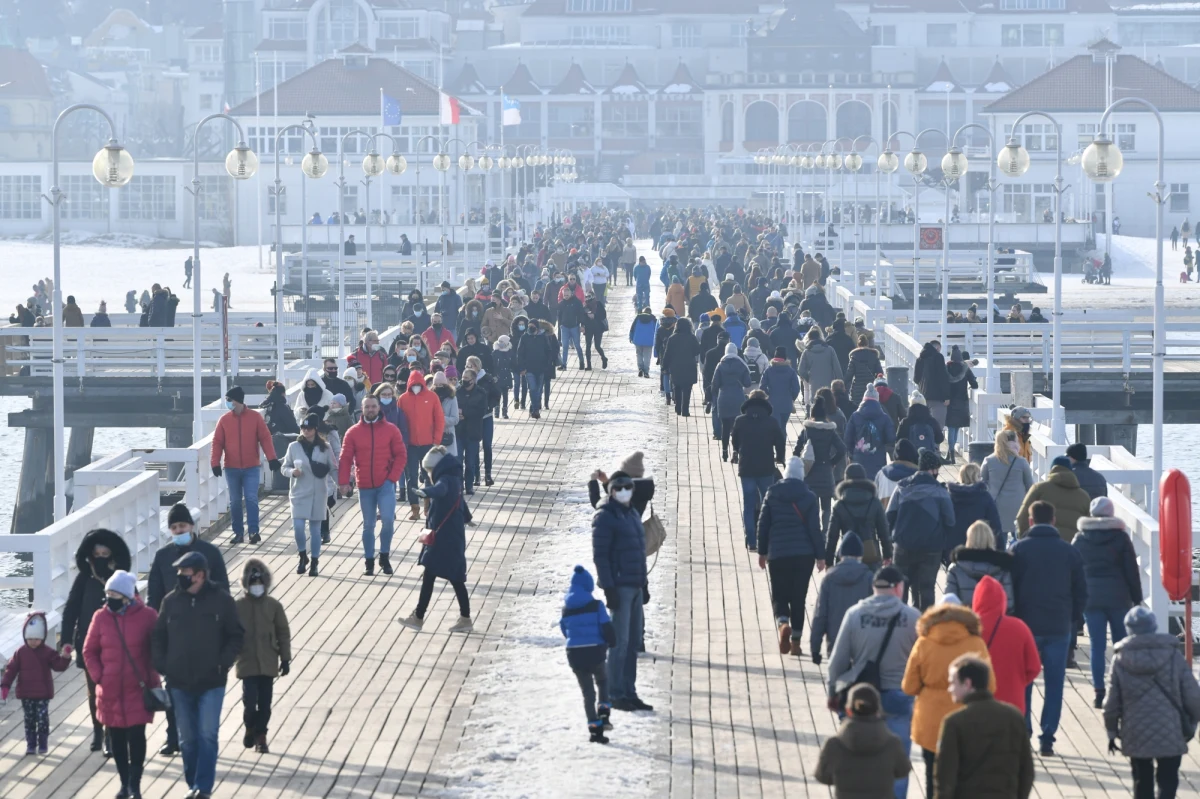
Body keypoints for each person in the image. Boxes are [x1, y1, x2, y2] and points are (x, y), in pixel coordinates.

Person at [152, 551, 244, 799]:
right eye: (179, 573)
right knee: (188, 739)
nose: (180, 577)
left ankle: (203, 789)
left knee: (207, 734)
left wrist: (222, 663)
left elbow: (236, 635)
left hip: (211, 681)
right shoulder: (170, 601)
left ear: (201, 575)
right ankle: (193, 783)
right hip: (178, 681)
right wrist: (162, 665)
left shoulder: (222, 601)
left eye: (185, 573)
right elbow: (158, 636)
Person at [826, 566, 922, 799]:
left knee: (860, 759)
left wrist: (832, 693)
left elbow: (836, 662)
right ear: (899, 588)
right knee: (898, 762)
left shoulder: (855, 614)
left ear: (874, 588)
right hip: (899, 697)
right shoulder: (912, 618)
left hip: (862, 698)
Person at [1010, 500, 1087, 756]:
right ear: (1053, 521)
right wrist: (1073, 619)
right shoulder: (1069, 552)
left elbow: (1010, 589)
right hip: (1058, 626)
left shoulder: (1018, 550)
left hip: (1026, 627)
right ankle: (1047, 737)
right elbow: (1081, 592)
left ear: (1030, 521)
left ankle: (1024, 731)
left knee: (1024, 682)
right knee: (1055, 684)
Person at [1103, 606, 1200, 799]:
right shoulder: (1173, 654)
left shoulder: (1120, 658)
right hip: (1170, 729)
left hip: (1135, 731)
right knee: (1168, 780)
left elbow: (1111, 703)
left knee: (1142, 781)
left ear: (1129, 629)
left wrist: (1112, 732)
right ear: (1154, 626)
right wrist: (1192, 723)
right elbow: (1193, 696)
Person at [902, 600, 994, 798]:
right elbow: (990, 686)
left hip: (930, 724)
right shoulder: (975, 643)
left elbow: (908, 686)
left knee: (932, 777)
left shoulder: (924, 642)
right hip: (969, 721)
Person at [81, 571, 160, 798]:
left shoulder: (147, 616)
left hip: (138, 688)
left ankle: (135, 784)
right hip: (110, 690)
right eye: (108, 593)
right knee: (116, 740)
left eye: (114, 594)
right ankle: (124, 784)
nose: (109, 598)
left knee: (136, 738)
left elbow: (156, 649)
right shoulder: (100, 617)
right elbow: (89, 651)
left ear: (127, 596)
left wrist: (154, 676)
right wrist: (100, 676)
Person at [62, 528, 133, 755]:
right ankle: (97, 730)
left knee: (112, 691)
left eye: (105, 553)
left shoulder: (120, 579)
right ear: (91, 555)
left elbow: (135, 609)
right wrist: (65, 641)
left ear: (112, 555)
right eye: (97, 553)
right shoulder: (84, 578)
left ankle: (111, 735)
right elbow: (71, 608)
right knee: (94, 692)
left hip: (116, 644)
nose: (101, 557)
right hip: (88, 644)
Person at [590, 470, 651, 713]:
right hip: (619, 586)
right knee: (619, 643)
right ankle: (615, 693)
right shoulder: (605, 516)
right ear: (611, 491)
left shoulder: (632, 513)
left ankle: (629, 690)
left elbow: (639, 551)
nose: (624, 492)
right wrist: (609, 588)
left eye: (628, 488)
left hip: (635, 584)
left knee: (634, 642)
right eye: (619, 488)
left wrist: (644, 584)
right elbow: (600, 556)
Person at [1074, 496, 1142, 708]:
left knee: (1097, 645)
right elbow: (1132, 570)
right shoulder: (1121, 538)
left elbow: (1074, 571)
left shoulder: (1080, 538)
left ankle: (1099, 692)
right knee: (1121, 645)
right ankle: (1120, 690)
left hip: (1091, 598)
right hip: (1118, 598)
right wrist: (1137, 597)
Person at [935, 655, 1035, 799]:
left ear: (967, 684)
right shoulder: (1014, 716)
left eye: (953, 683)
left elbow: (945, 777)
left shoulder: (954, 722)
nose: (950, 689)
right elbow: (1027, 769)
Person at [400, 446, 474, 632]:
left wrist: (426, 492)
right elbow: (460, 503)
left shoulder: (445, 479)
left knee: (453, 578)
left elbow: (440, 490)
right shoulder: (454, 478)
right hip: (448, 537)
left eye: (429, 470)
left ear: (435, 467)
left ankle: (461, 619)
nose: (428, 474)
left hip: (445, 539)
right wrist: (468, 518)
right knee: (437, 576)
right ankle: (420, 616)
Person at [756, 456, 823, 655]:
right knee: (798, 598)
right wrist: (821, 556)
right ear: (801, 475)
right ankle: (795, 642)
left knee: (779, 595)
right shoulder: (809, 497)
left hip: (778, 553)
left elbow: (763, 524)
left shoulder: (771, 494)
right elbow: (814, 529)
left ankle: (782, 623)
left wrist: (762, 551)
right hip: (804, 555)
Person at [338, 395, 407, 575]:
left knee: (388, 521)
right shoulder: (352, 432)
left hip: (386, 483)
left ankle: (384, 556)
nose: (370, 409)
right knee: (368, 524)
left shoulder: (391, 430)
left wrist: (392, 478)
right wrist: (344, 482)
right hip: (365, 485)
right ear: (362, 408)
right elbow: (345, 458)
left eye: (373, 406)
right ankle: (369, 560)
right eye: (367, 406)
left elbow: (401, 455)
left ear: (379, 408)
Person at [814, 682, 911, 797]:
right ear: (877, 711)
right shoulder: (893, 743)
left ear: (848, 711)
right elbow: (903, 771)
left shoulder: (834, 744)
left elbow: (823, 777)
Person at [210, 386, 280, 545]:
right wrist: (215, 463)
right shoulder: (224, 420)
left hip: (252, 466)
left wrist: (272, 459)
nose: (227, 403)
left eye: (229, 400)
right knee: (234, 501)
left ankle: (254, 531)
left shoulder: (255, 418)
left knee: (251, 498)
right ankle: (238, 533)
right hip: (231, 467)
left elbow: (265, 438)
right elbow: (217, 442)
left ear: (238, 400)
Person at [234, 559, 291, 754]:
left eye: (259, 584)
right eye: (253, 584)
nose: (256, 587)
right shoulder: (238, 606)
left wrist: (285, 658)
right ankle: (250, 726)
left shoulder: (274, 606)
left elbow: (283, 632)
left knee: (265, 705)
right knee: (249, 703)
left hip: (268, 662)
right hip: (247, 662)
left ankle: (261, 736)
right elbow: (231, 633)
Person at [887, 449, 954, 611]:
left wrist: (892, 540)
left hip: (903, 546)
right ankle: (925, 626)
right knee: (926, 589)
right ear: (932, 469)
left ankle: (900, 624)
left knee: (900, 589)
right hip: (931, 548)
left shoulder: (902, 486)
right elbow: (950, 522)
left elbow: (889, 516)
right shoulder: (940, 491)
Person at [559, 565, 616, 744]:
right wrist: (611, 641)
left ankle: (594, 730)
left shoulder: (566, 609)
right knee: (603, 680)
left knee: (587, 693)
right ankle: (604, 714)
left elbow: (564, 630)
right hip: (595, 650)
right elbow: (606, 626)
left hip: (575, 654)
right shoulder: (596, 605)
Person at [2, 612, 71, 755]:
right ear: (25, 637)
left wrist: (65, 657)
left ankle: (43, 743)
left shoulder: (48, 652)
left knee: (42, 718)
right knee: (29, 720)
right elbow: (11, 669)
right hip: (26, 693)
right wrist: (5, 685)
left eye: (37, 639)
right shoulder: (20, 653)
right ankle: (31, 745)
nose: (33, 642)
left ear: (43, 637)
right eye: (30, 638)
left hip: (42, 693)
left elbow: (59, 666)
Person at [971, 575, 1040, 716]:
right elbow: (1034, 667)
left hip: (976, 704)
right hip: (1012, 704)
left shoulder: (969, 629)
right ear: (1003, 600)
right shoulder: (1019, 628)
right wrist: (1018, 683)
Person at [730, 389, 786, 551]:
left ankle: (751, 540)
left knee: (748, 505)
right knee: (766, 504)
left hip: (746, 467)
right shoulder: (771, 422)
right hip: (766, 468)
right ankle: (765, 539)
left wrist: (738, 451)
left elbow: (735, 442)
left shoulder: (740, 421)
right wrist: (780, 457)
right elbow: (780, 442)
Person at [282, 414, 335, 577]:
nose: (306, 431)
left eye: (309, 428)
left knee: (315, 530)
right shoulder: (293, 447)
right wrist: (292, 472)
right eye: (303, 428)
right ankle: (302, 555)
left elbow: (333, 468)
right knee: (298, 527)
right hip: (298, 492)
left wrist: (342, 485)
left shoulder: (325, 447)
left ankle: (314, 562)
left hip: (319, 493)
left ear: (316, 429)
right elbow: (284, 467)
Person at [810, 532, 874, 662]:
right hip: (862, 645)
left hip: (836, 644)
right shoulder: (869, 577)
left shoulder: (829, 578)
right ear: (860, 555)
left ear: (840, 555)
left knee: (837, 680)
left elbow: (820, 615)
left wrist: (815, 648)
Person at [794, 396, 846, 531]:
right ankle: (826, 534)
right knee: (827, 507)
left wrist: (800, 463)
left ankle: (814, 533)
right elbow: (842, 449)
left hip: (810, 472)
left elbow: (797, 449)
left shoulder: (807, 430)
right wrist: (832, 462)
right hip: (826, 471)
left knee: (813, 507)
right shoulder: (830, 430)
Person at [1015, 455, 1092, 542]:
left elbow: (1022, 517)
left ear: (1052, 469)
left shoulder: (1039, 489)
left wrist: (1025, 539)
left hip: (1040, 544)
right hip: (1071, 548)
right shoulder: (1084, 496)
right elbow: (1089, 527)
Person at [980, 429, 1035, 544]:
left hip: (996, 506)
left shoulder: (989, 461)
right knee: (1019, 538)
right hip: (1018, 506)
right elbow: (1030, 486)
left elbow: (982, 484)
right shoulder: (1021, 462)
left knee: (999, 540)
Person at [945, 520, 1013, 611]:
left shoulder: (956, 569)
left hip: (965, 621)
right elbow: (1009, 604)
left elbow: (949, 603)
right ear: (991, 538)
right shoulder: (1002, 568)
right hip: (993, 621)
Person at [946, 463, 1003, 553]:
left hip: (954, 546)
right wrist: (1000, 549)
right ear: (977, 476)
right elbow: (995, 523)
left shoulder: (950, 496)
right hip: (979, 543)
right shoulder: (984, 496)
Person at [844, 385, 895, 480]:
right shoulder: (884, 417)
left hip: (858, 459)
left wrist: (852, 453)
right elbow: (891, 438)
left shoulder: (855, 416)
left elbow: (847, 438)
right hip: (878, 459)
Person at [712, 343, 752, 461]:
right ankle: (735, 451)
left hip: (723, 398)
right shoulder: (741, 365)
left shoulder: (720, 365)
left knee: (725, 427)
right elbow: (748, 383)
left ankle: (724, 452)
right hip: (738, 398)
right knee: (737, 428)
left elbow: (715, 385)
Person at [516, 313, 557, 419]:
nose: (531, 328)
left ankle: (533, 408)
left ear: (537, 328)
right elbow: (520, 353)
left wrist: (547, 365)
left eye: (533, 327)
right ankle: (535, 410)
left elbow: (548, 351)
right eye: (529, 326)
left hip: (541, 368)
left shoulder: (543, 337)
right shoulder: (524, 337)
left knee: (538, 391)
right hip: (528, 368)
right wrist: (522, 368)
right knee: (533, 389)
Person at [661, 317, 702, 416]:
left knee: (677, 387)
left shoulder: (672, 338)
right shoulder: (692, 337)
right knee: (687, 389)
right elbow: (697, 350)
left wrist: (664, 366)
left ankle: (678, 408)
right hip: (689, 366)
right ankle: (685, 410)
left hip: (676, 366)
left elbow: (667, 354)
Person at [943, 346, 977, 461]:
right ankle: (950, 453)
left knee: (951, 427)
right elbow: (974, 384)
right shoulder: (965, 368)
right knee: (956, 427)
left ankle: (950, 453)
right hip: (961, 401)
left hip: (949, 401)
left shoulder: (946, 368)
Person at [761, 346, 801, 441]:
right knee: (782, 427)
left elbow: (762, 386)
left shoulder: (768, 370)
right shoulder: (791, 371)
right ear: (785, 358)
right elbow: (796, 388)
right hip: (786, 404)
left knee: (774, 426)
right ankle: (781, 451)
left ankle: (773, 448)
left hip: (772, 403)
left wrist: (768, 395)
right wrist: (791, 398)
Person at [798, 329, 843, 406]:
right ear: (820, 337)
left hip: (814, 384)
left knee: (816, 405)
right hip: (829, 383)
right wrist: (840, 382)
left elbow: (800, 369)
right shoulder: (830, 349)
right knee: (828, 404)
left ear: (809, 338)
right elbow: (837, 368)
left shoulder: (807, 351)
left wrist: (808, 378)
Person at [913, 340, 950, 428]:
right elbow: (943, 378)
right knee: (937, 426)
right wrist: (947, 396)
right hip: (937, 397)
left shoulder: (920, 359)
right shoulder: (938, 357)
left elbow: (916, 379)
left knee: (924, 426)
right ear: (937, 348)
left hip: (923, 397)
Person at [896, 391, 944, 458]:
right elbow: (939, 439)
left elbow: (898, 439)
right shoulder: (932, 421)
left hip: (910, 457)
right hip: (928, 457)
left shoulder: (905, 422)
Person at [876, 438, 919, 509]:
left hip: (885, 517)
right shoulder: (918, 475)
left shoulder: (881, 473)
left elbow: (875, 499)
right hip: (910, 517)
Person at [845, 335, 883, 406]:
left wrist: (843, 386)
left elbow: (849, 376)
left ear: (858, 345)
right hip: (871, 389)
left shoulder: (854, 356)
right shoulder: (874, 355)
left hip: (857, 391)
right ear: (867, 344)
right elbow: (880, 373)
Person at [629, 306, 657, 378]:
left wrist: (631, 337)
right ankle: (646, 371)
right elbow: (657, 330)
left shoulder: (638, 317)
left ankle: (640, 368)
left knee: (639, 354)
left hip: (638, 339)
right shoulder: (653, 319)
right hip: (649, 340)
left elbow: (632, 328)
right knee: (647, 356)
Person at [582, 294, 608, 370]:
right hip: (588, 328)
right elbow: (582, 317)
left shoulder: (598, 304)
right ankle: (589, 365)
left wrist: (594, 315)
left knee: (597, 346)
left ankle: (604, 358)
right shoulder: (585, 307)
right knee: (588, 346)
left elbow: (603, 315)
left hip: (598, 328)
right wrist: (582, 325)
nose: (588, 301)